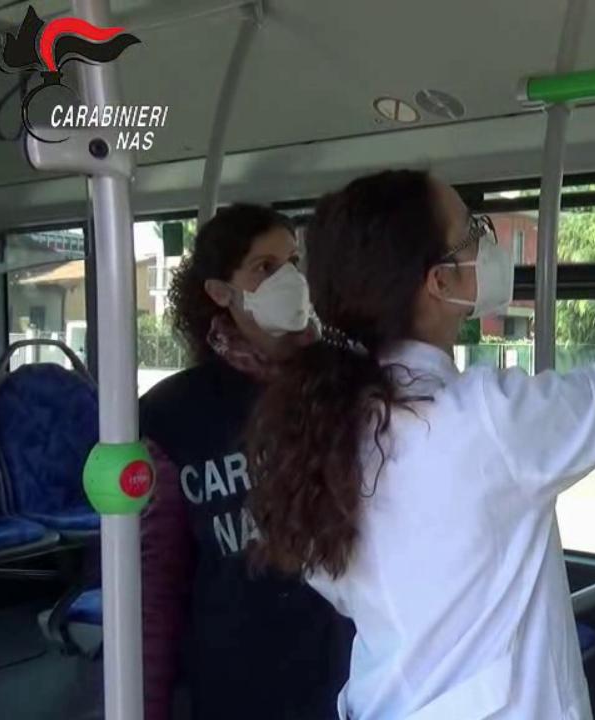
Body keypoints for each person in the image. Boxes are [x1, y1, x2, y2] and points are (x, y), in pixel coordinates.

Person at [245, 112, 595, 720]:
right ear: (439, 282)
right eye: (473, 235)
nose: (486, 248)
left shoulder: (319, 426)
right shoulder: (486, 421)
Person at [138, 204, 354, 720]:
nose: (290, 280)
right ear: (220, 292)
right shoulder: (173, 414)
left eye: (293, 262)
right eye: (265, 267)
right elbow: (156, 582)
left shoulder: (345, 386)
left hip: (347, 669)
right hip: (235, 677)